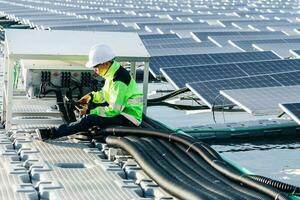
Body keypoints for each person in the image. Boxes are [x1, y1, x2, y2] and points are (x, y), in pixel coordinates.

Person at [36, 44, 143, 140]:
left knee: (89, 119)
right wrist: (90, 97)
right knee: (91, 110)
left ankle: (51, 133)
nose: (94, 70)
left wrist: (89, 112)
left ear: (105, 63)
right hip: (123, 111)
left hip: (128, 117)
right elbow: (105, 94)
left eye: (96, 66)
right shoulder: (113, 72)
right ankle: (79, 127)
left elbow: (114, 110)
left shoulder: (118, 80)